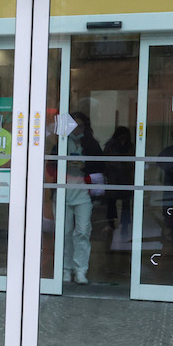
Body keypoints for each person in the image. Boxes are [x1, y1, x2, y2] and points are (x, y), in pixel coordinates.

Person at [62, 111, 101, 284]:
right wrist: (64, 164)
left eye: (80, 126)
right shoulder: (61, 142)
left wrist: (85, 166)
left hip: (83, 195)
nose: (76, 129)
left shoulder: (91, 144)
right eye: (73, 126)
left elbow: (100, 166)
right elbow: (49, 164)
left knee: (83, 232)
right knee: (65, 233)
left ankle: (80, 270)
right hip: (63, 194)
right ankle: (65, 269)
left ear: (85, 127)